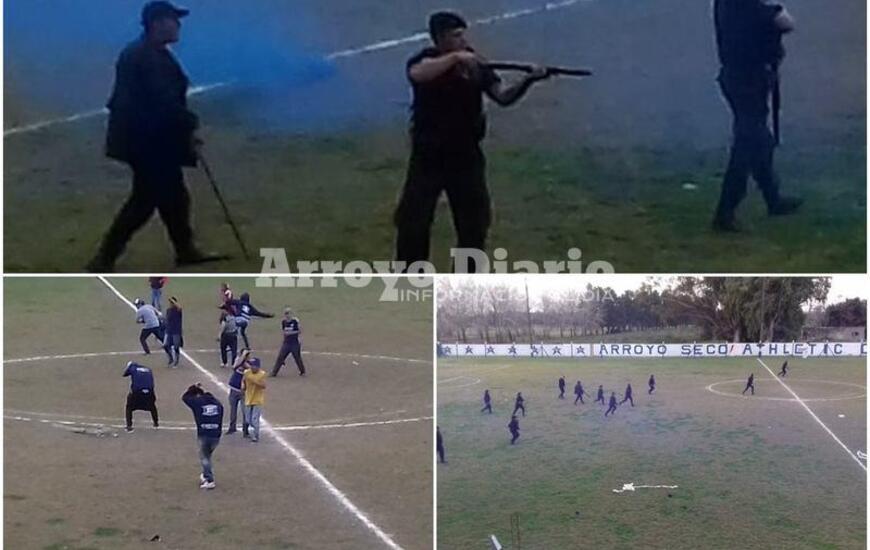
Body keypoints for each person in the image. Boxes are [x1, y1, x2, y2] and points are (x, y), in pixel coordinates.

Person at [394, 11, 551, 272]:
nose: (462, 40)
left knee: (474, 223)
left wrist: (528, 80)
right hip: (428, 157)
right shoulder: (425, 60)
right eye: (455, 36)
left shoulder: (476, 65)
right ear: (439, 38)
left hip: (465, 157)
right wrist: (455, 58)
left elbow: (502, 96)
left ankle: (466, 282)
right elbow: (418, 74)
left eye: (462, 35)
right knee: (414, 222)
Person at [86, 1, 225, 271]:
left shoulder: (150, 52)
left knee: (172, 195)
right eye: (174, 19)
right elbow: (162, 101)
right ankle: (103, 259)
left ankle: (184, 250)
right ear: (158, 23)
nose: (178, 25)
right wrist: (189, 125)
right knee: (146, 200)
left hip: (149, 138)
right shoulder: (146, 56)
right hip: (145, 141)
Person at [712, 0, 802, 232]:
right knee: (749, 145)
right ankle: (725, 212)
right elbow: (785, 22)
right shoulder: (747, 7)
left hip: (741, 80)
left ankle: (773, 199)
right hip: (747, 81)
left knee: (756, 141)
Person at [181, 383, 223, 490]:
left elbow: (185, 397)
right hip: (216, 436)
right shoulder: (218, 405)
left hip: (204, 434)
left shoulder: (197, 403)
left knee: (204, 457)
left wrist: (193, 387)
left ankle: (209, 479)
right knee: (207, 456)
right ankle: (205, 474)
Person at [123, 361, 158, 432]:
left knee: (129, 407)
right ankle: (156, 423)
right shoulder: (148, 369)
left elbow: (125, 374)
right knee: (152, 406)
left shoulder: (132, 368)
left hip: (137, 392)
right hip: (150, 392)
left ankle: (129, 426)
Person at [271, 308, 306, 377]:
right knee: (280, 357)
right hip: (286, 343)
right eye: (286, 313)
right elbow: (284, 332)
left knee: (297, 357)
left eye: (288, 313)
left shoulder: (295, 321)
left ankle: (302, 371)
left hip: (294, 343)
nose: (287, 315)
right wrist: (288, 333)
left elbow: (299, 331)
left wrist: (290, 333)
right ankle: (274, 373)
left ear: (291, 314)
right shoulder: (284, 322)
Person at [226, 351, 253, 436]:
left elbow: (251, 370)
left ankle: (245, 430)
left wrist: (245, 361)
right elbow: (235, 367)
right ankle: (232, 427)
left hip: (244, 391)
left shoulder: (251, 364)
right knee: (233, 410)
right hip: (234, 389)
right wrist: (242, 358)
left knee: (245, 411)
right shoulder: (238, 361)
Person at [242, 357, 267, 442]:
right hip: (248, 398)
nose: (252, 367)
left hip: (257, 399)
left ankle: (256, 436)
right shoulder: (246, 372)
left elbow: (264, 386)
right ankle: (254, 431)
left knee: (254, 419)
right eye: (251, 365)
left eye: (254, 366)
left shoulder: (262, 374)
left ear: (258, 366)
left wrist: (254, 381)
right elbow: (244, 380)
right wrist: (243, 386)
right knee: (248, 420)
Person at [164, 296, 183, 366]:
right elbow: (167, 319)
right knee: (165, 345)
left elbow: (180, 307)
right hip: (169, 331)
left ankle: (176, 361)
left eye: (172, 303)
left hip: (176, 331)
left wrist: (174, 301)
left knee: (176, 347)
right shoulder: (168, 310)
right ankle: (171, 358)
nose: (170, 304)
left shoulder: (178, 310)